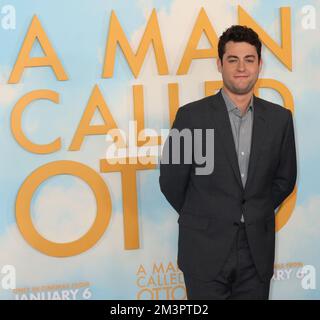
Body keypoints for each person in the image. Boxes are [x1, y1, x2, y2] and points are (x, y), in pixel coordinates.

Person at [159, 25, 297, 300]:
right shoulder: (190, 117)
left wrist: (254, 210)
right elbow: (171, 182)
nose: (241, 67)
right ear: (220, 64)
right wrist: (207, 215)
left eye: (249, 59)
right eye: (233, 59)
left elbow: (284, 179)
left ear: (260, 65)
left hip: (255, 251)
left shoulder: (280, 119)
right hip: (203, 249)